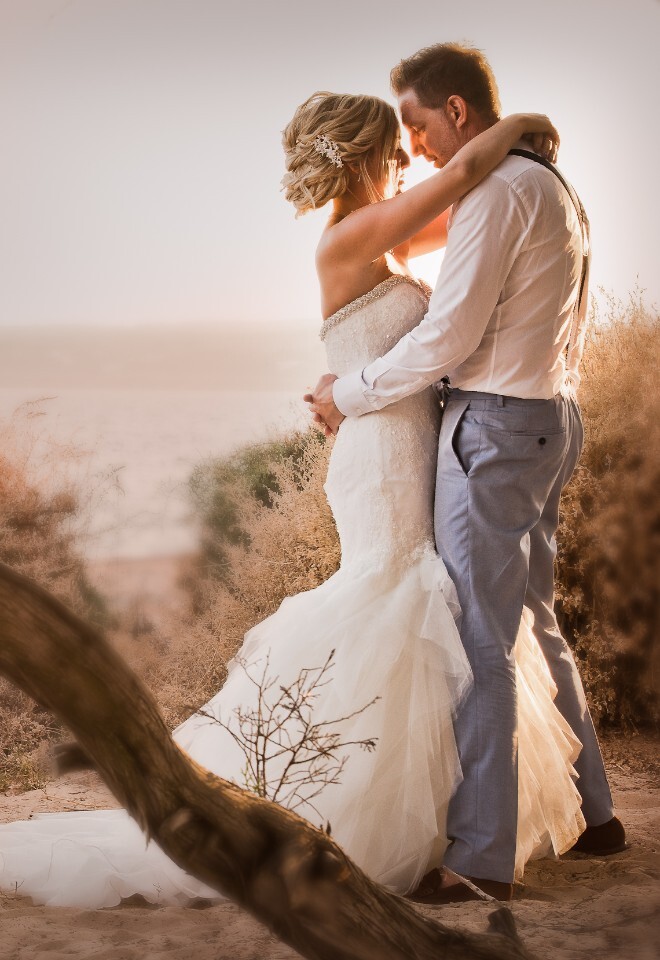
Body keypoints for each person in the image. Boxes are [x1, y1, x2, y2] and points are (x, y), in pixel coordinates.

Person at [0, 91, 585, 910]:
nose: (405, 161)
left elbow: (467, 217)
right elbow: (458, 177)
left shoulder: (378, 233)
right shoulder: (351, 237)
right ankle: (374, 813)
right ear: (362, 157)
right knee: (398, 597)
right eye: (393, 148)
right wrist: (521, 125)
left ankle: (443, 816)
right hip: (382, 458)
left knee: (425, 606)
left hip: (404, 439)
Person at [306, 43, 626, 904]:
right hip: (548, 417)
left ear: (454, 111)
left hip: (490, 430)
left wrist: (351, 392)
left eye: (417, 122)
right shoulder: (551, 187)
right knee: (533, 618)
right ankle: (595, 815)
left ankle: (481, 855)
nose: (413, 146)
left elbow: (446, 339)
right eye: (397, 134)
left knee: (480, 638)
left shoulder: (496, 191)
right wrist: (524, 127)